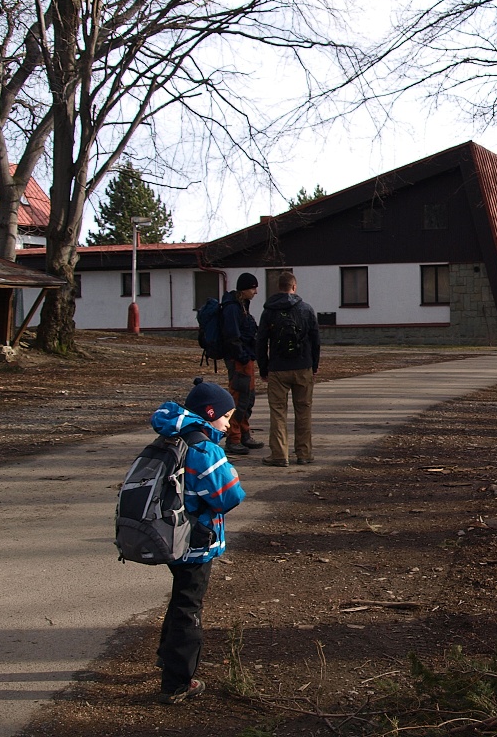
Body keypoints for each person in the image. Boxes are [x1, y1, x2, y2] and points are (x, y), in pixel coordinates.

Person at [149, 379, 246, 704]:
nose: (228, 423)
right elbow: (229, 496)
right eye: (226, 416)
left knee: (179, 600)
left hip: (172, 534)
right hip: (195, 541)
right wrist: (228, 470)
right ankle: (177, 681)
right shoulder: (204, 449)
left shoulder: (172, 435)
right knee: (189, 608)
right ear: (210, 412)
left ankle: (167, 657)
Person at [257, 271, 321, 467]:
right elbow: (315, 340)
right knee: (303, 410)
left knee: (278, 412)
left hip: (277, 368)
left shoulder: (269, 311)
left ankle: (279, 455)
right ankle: (304, 453)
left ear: (279, 287)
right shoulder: (306, 309)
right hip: (303, 367)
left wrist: (263, 367)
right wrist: (314, 365)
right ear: (294, 287)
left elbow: (260, 341)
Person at [221, 272, 263, 456]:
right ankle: (234, 438)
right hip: (239, 360)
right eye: (253, 288)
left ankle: (244, 434)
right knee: (239, 397)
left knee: (248, 397)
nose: (255, 292)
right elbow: (232, 336)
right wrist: (244, 356)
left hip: (245, 358)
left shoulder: (240, 305)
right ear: (244, 289)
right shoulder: (232, 308)